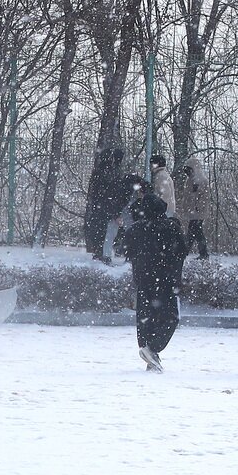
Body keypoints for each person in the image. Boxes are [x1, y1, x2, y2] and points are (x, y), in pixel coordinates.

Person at [122, 192, 186, 371]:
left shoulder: (135, 229)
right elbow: (182, 251)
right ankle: (153, 349)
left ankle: (148, 350)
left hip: (143, 280)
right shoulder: (171, 228)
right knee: (171, 318)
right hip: (166, 280)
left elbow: (124, 249)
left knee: (145, 317)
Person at [85, 149, 125, 257]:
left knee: (99, 229)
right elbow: (111, 191)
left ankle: (99, 251)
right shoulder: (111, 172)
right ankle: (103, 253)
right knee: (105, 231)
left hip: (100, 205)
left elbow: (97, 191)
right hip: (106, 205)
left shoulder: (99, 171)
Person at [97, 151, 132, 265]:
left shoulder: (110, 173)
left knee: (111, 232)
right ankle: (128, 254)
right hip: (120, 204)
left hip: (115, 204)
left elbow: (113, 197)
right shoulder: (120, 175)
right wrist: (116, 214)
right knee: (126, 229)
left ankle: (106, 255)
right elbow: (118, 199)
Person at [176, 157, 209, 259]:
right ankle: (201, 253)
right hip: (194, 211)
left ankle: (186, 251)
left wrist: (197, 207)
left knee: (193, 232)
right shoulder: (190, 180)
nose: (187, 172)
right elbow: (188, 196)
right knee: (196, 232)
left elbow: (203, 197)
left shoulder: (201, 180)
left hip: (197, 211)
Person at [150, 154, 177, 219]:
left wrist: (158, 208)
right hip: (168, 208)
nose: (150, 166)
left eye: (151, 163)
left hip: (164, 210)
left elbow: (165, 194)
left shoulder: (160, 176)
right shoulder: (163, 174)